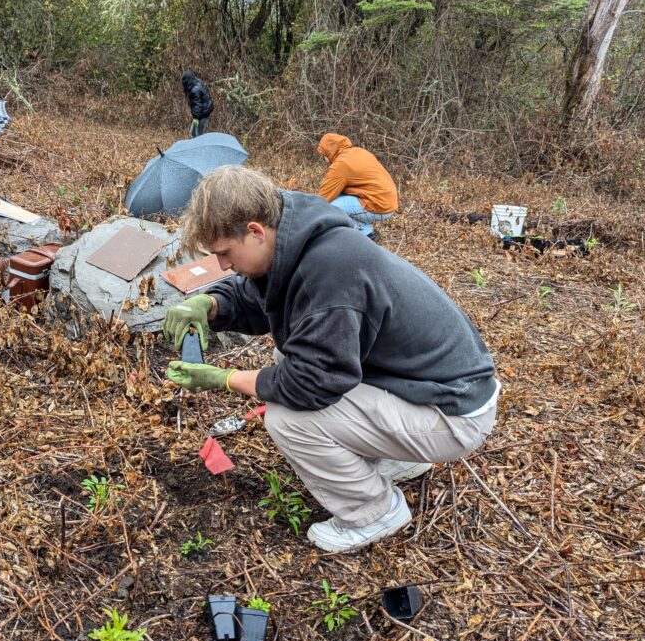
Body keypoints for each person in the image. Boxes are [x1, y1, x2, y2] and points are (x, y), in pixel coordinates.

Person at [163, 165, 499, 553]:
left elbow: (309, 384)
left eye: (225, 254)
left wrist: (223, 378)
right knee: (289, 357)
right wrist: (212, 303)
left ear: (255, 231)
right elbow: (261, 295)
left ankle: (375, 512)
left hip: (452, 413)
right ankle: (399, 455)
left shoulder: (331, 271)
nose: (222, 266)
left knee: (288, 417)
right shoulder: (293, 232)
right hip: (424, 385)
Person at [317, 133, 398, 238]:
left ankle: (363, 234)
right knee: (338, 197)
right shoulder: (359, 152)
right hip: (389, 202)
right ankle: (367, 231)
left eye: (323, 154)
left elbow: (321, 199)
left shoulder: (340, 165)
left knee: (331, 207)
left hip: (379, 205)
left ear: (328, 152)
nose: (323, 158)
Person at [182, 70, 213, 138]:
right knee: (192, 132)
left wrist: (196, 118)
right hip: (201, 113)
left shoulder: (195, 90)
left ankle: (201, 147)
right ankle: (194, 146)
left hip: (203, 114)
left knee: (199, 135)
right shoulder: (196, 82)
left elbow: (197, 105)